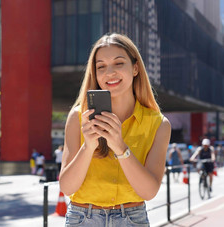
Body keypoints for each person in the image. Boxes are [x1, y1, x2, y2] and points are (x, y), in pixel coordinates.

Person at [59, 33, 171, 226]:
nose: (109, 72)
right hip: (82, 218)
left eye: (119, 63)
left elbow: (149, 192)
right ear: (95, 73)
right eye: (101, 66)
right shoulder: (78, 117)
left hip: (132, 219)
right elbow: (68, 188)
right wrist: (88, 146)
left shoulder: (158, 124)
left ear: (135, 68)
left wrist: (120, 148)